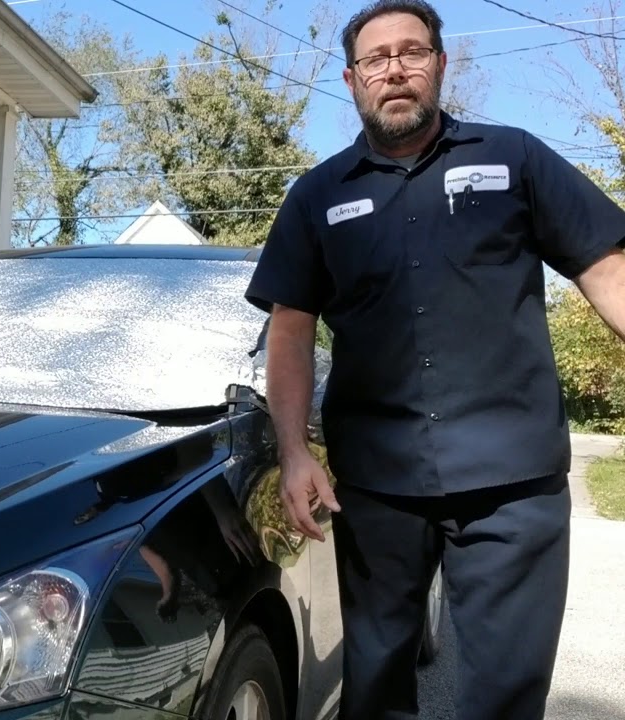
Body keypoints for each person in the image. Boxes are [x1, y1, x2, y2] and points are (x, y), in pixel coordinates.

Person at [243, 0, 625, 718]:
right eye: (377, 58)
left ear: (441, 66)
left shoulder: (513, 157)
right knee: (377, 684)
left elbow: (605, 268)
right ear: (353, 79)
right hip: (377, 486)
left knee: (505, 697)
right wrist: (294, 452)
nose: (395, 69)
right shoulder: (317, 196)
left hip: (514, 480)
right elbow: (290, 330)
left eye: (412, 52)